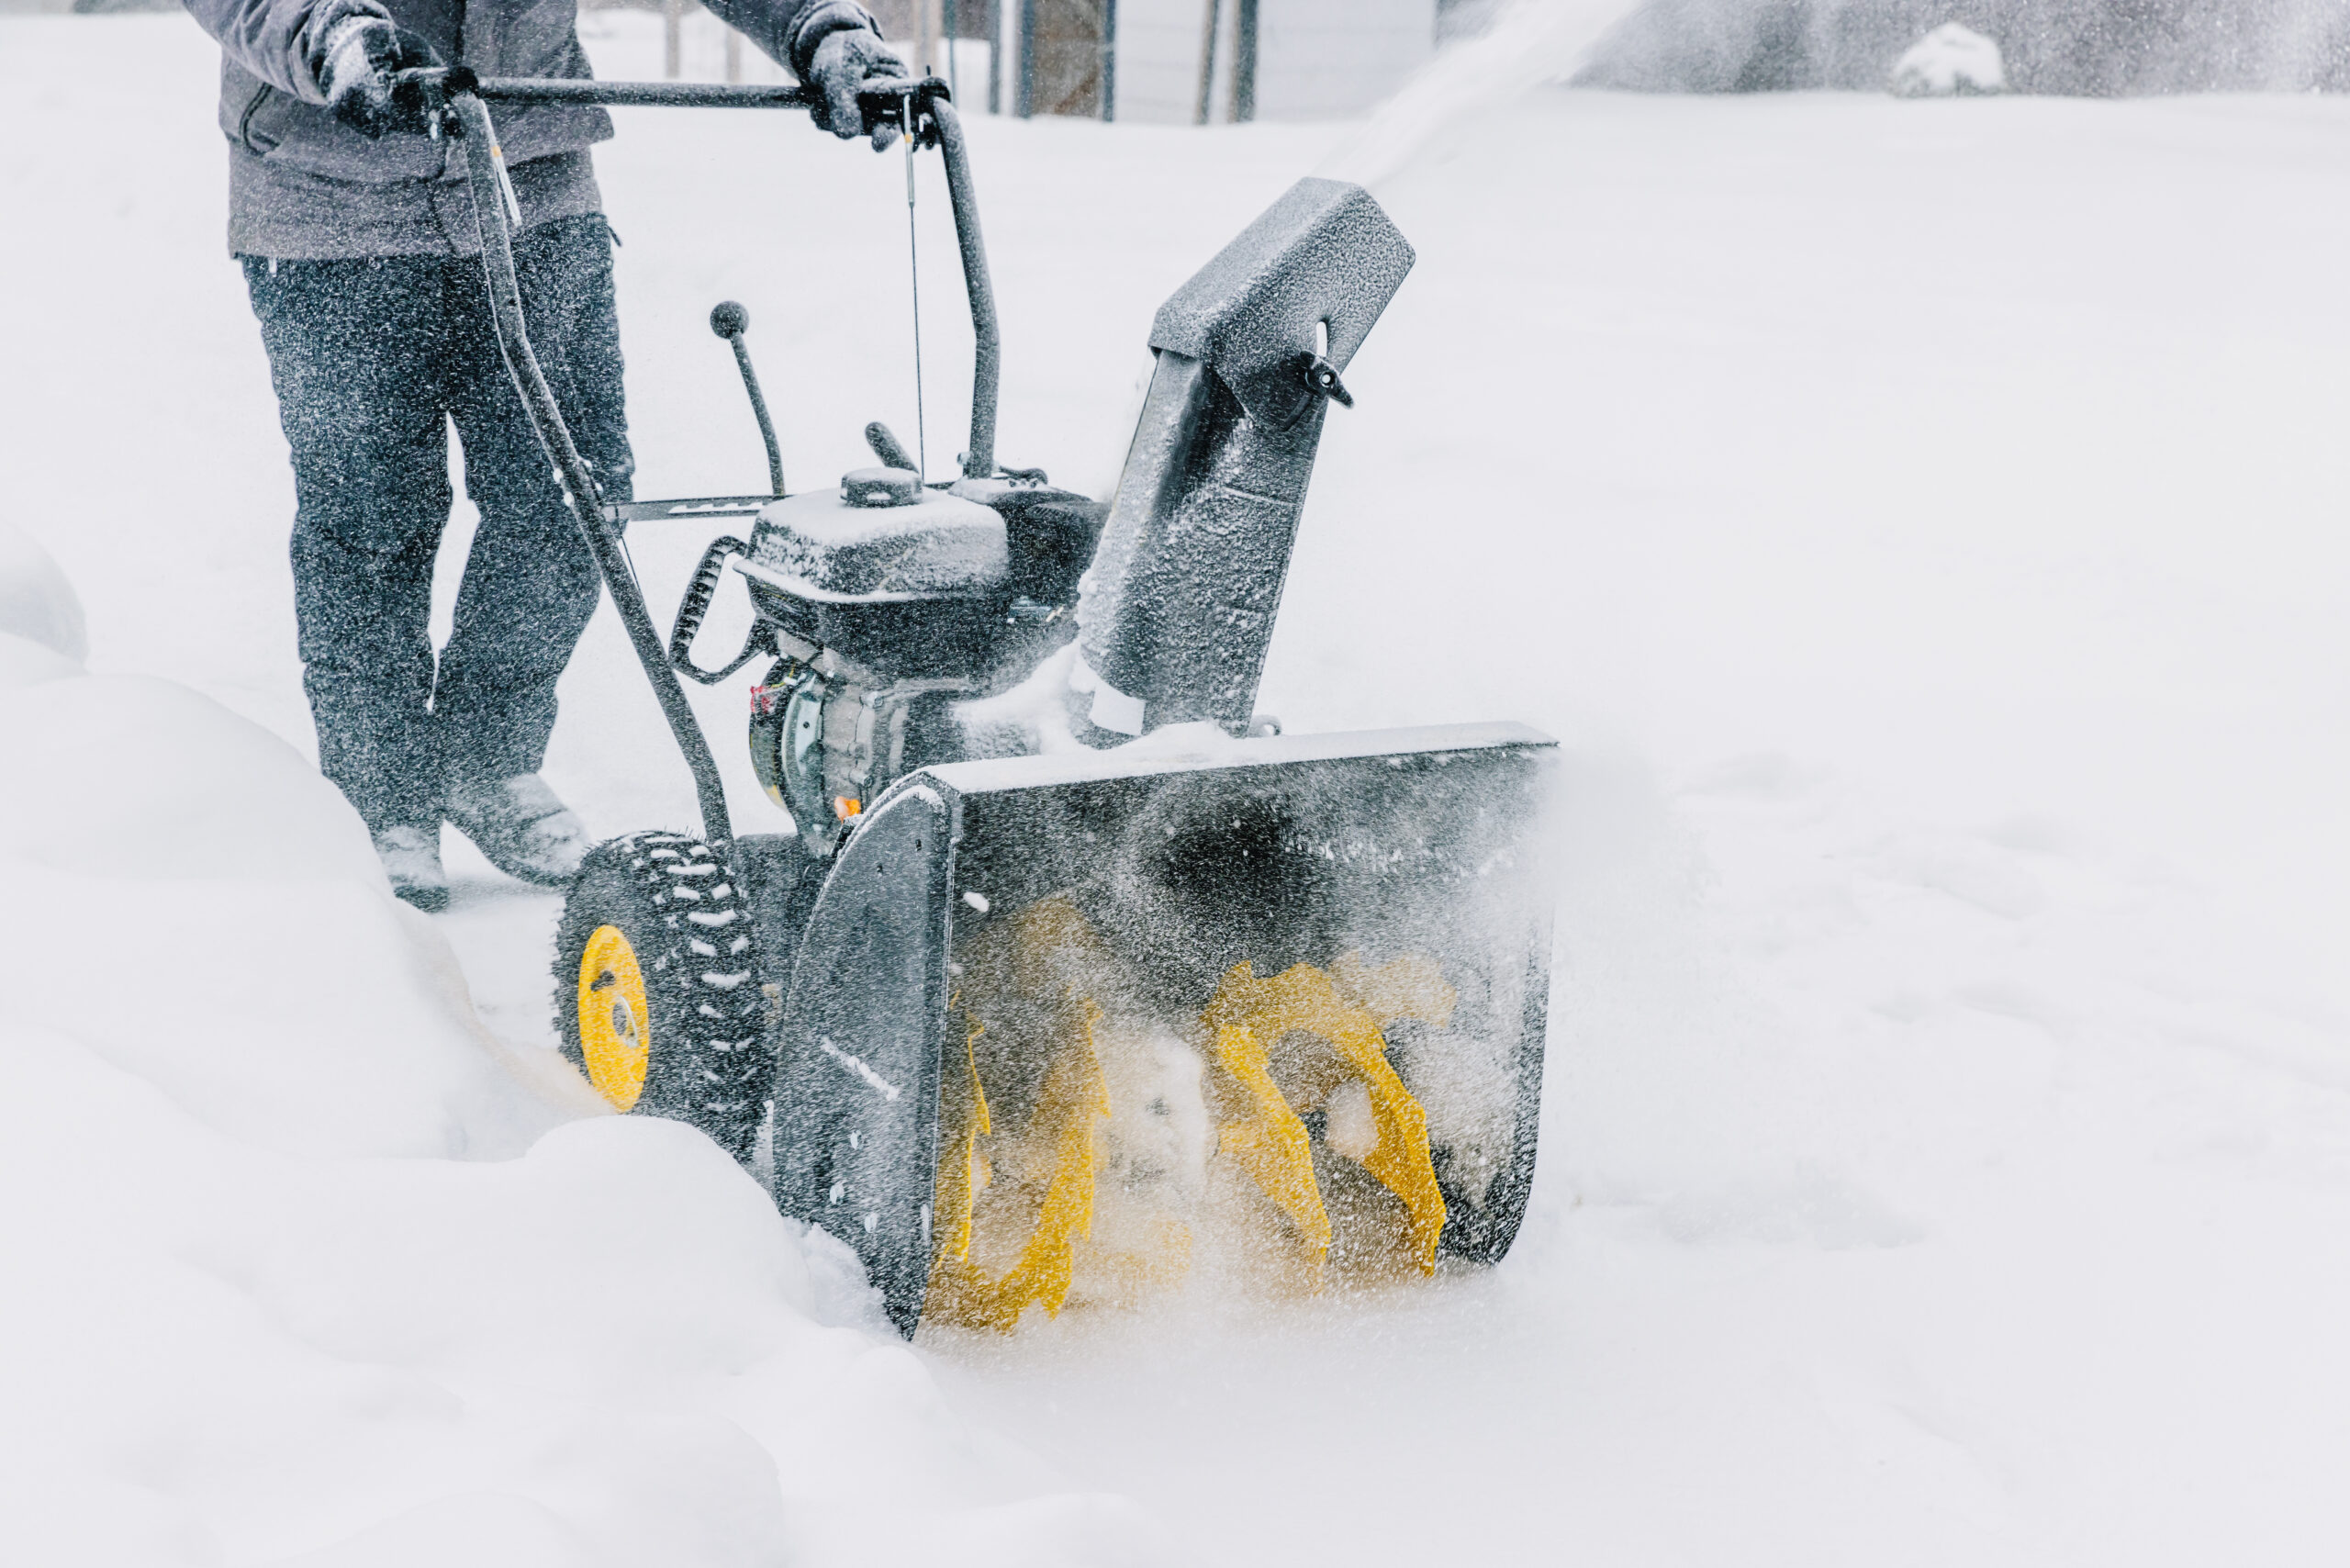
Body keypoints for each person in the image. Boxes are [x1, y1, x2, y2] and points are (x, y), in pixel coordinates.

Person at [182, 0, 907, 910]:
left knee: (571, 493)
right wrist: (328, 38)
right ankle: (380, 793)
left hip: (528, 176)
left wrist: (817, 30)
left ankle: (487, 760)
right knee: (370, 516)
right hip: (332, 199)